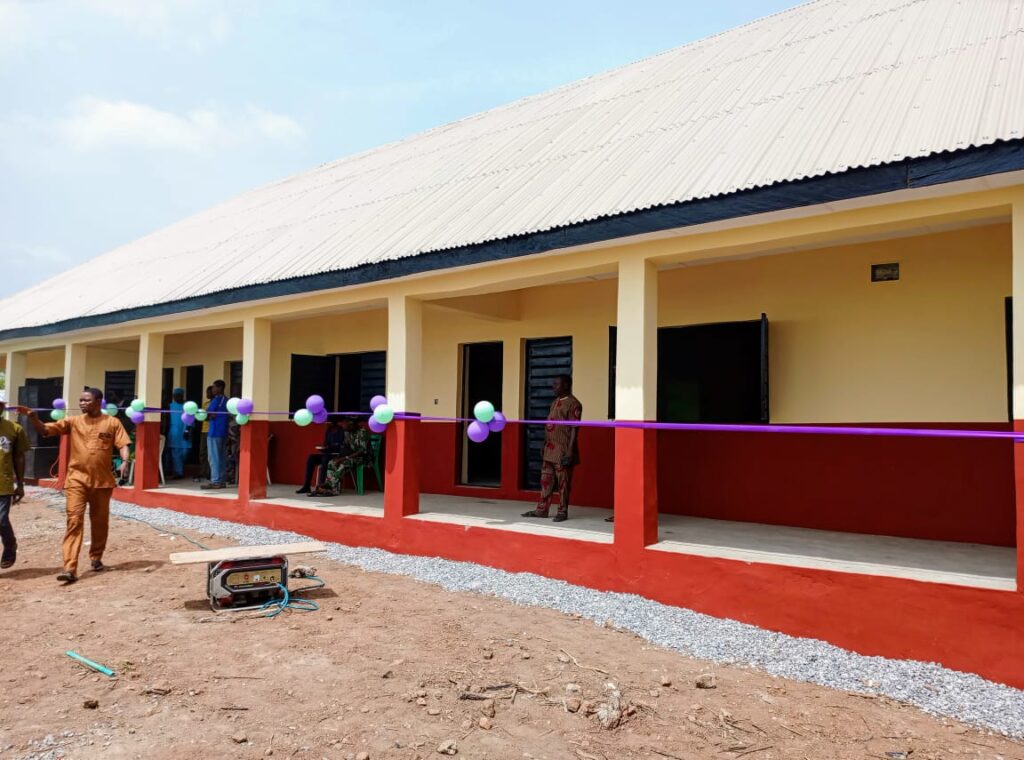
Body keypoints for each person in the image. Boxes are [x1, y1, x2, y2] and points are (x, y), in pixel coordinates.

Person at [18, 388, 131, 583]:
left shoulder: (112, 422)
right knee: (74, 521)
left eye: (86, 400)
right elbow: (45, 430)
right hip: (76, 480)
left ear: (98, 401)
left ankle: (96, 557)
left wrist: (125, 462)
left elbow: (123, 444)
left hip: (102, 482)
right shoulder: (73, 422)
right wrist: (34, 418)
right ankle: (70, 567)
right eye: (80, 400)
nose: (82, 403)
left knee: (100, 522)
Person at [522, 374, 582, 522]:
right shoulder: (554, 402)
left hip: (563, 449)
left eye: (556, 384)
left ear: (566, 385)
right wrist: (544, 444)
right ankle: (542, 509)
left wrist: (569, 451)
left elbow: (575, 428)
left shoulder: (574, 404)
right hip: (549, 448)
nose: (553, 387)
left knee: (563, 482)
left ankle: (562, 511)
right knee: (545, 480)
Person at [0, 400, 29, 569]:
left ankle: (10, 545)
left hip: (3, 483)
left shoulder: (14, 429)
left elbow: (19, 457)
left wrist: (21, 484)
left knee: (1, 520)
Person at [312, 419, 369, 497]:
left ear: (352, 425)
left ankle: (332, 489)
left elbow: (362, 451)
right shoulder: (347, 432)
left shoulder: (362, 432)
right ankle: (330, 487)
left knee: (342, 465)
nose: (344, 428)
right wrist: (338, 457)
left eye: (346, 426)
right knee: (331, 463)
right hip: (349, 456)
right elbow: (345, 447)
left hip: (361, 458)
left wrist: (344, 458)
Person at [297, 417, 347, 494]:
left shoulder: (341, 431)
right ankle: (307, 486)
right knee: (311, 458)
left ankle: (321, 486)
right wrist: (323, 447)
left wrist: (331, 447)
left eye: (328, 423)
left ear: (334, 423)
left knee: (325, 459)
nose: (326, 424)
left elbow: (341, 446)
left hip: (336, 455)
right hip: (326, 453)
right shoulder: (328, 431)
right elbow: (326, 443)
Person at [202, 380, 228, 490]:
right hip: (224, 432)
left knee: (213, 457)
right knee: (221, 457)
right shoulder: (227, 400)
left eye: (214, 387)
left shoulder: (216, 400)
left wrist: (203, 415)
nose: (212, 389)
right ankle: (221, 480)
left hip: (214, 432)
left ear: (219, 388)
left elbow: (210, 415)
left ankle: (215, 481)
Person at [167, 388, 191, 480]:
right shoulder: (170, 406)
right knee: (175, 453)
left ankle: (180, 469)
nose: (176, 397)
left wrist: (188, 430)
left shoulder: (187, 406)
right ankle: (179, 472)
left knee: (185, 452)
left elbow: (191, 418)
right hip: (174, 432)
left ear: (182, 396)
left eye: (178, 395)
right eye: (175, 396)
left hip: (185, 430)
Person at [194, 385, 214, 482]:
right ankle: (204, 471)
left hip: (212, 431)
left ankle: (211, 473)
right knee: (202, 453)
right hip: (204, 430)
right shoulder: (205, 404)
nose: (207, 394)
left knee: (211, 454)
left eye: (208, 392)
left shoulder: (215, 404)